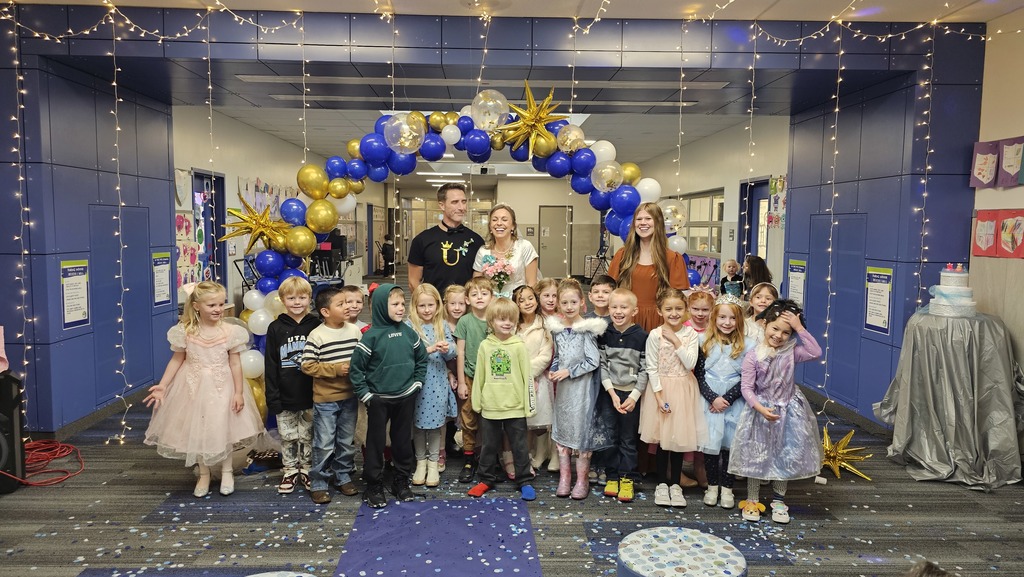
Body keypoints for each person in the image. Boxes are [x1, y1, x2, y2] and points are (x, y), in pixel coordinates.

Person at [144, 281, 264, 498]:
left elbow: (235, 363)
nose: (218, 309)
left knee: (224, 428)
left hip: (222, 385)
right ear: (197, 306)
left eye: (220, 304)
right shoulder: (185, 331)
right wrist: (163, 385)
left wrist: (238, 392)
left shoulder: (230, 331)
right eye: (212, 305)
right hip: (192, 386)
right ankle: (204, 473)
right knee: (197, 428)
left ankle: (227, 472)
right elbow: (176, 360)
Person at [729, 299, 822, 525]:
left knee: (785, 453)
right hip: (761, 411)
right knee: (756, 455)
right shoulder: (753, 355)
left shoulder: (793, 353)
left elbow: (816, 351)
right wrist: (760, 408)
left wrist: (800, 328)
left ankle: (779, 500)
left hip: (788, 412)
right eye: (775, 328)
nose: (779, 335)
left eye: (786, 332)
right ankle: (752, 499)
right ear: (765, 326)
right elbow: (747, 388)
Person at [349, 283, 428, 508]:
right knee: (375, 443)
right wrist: (366, 395)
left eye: (403, 304)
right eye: (395, 304)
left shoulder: (409, 332)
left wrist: (417, 383)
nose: (401, 308)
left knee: (403, 441)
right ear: (383, 306)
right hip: (378, 399)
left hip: (405, 397)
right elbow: (356, 370)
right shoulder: (371, 337)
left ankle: (401, 480)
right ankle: (373, 484)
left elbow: (421, 359)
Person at [639, 288, 707, 509]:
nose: (674, 313)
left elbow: (689, 364)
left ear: (685, 310)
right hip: (661, 391)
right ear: (660, 311)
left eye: (679, 308)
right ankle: (661, 483)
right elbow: (651, 367)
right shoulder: (654, 335)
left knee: (678, 439)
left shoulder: (690, 335)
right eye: (668, 309)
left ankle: (675, 484)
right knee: (661, 440)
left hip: (684, 389)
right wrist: (658, 397)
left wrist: (677, 342)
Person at [467, 297, 538, 501]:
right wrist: (477, 401)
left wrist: (529, 404)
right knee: (489, 445)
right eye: (501, 319)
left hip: (515, 406)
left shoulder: (519, 346)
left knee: (520, 446)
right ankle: (485, 479)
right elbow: (479, 375)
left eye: (511, 320)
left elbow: (527, 377)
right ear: (491, 322)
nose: (507, 323)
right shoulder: (485, 346)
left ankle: (524, 480)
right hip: (491, 405)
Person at [546, 278, 609, 500]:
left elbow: (593, 361)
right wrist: (554, 370)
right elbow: (557, 356)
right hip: (564, 390)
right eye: (565, 303)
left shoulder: (587, 330)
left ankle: (582, 480)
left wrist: (569, 372)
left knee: (581, 431)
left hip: (582, 389)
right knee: (563, 429)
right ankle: (565, 478)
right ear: (559, 305)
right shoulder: (557, 330)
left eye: (574, 302)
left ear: (583, 303)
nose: (569, 307)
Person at [300, 287, 363, 504]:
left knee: (346, 441)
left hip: (350, 396)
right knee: (324, 443)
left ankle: (342, 475)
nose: (348, 307)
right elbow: (307, 366)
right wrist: (335, 369)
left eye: (348, 302)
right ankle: (318, 482)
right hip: (326, 399)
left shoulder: (354, 331)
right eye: (341, 304)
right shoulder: (317, 335)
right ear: (326, 312)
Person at [264, 276, 319, 495]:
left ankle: (305, 469)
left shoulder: (316, 325)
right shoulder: (275, 327)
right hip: (284, 394)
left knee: (307, 434)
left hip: (310, 393)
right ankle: (289, 470)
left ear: (310, 299)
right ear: (282, 300)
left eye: (302, 297)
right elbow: (271, 364)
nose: (297, 302)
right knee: (287, 435)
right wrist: (272, 396)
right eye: (291, 298)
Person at [696, 294, 752, 510]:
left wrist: (726, 399)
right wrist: (713, 398)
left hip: (733, 401)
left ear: (739, 320)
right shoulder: (703, 342)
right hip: (709, 400)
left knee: (729, 446)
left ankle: (727, 487)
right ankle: (712, 486)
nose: (727, 323)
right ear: (714, 318)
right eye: (722, 318)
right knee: (711, 446)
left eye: (732, 318)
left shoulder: (748, 345)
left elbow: (747, 379)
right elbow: (699, 375)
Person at [596, 288, 648, 503]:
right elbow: (602, 364)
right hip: (609, 393)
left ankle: (627, 477)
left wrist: (634, 396)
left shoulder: (642, 336)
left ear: (634, 310)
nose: (618, 311)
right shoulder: (604, 333)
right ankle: (612, 475)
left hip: (630, 395)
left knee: (628, 438)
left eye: (623, 307)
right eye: (614, 307)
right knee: (609, 436)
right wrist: (611, 392)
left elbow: (646, 369)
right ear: (608, 309)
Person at [608, 202, 691, 332]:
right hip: (627, 321)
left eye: (648, 219)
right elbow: (610, 291)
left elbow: (678, 299)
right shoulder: (622, 255)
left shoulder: (672, 258)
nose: (643, 223)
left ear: (657, 222)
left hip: (659, 323)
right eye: (639, 219)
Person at [406, 283, 457, 488]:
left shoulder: (442, 325)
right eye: (422, 306)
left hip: (437, 381)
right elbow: (407, 354)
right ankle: (421, 462)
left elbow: (453, 351)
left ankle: (434, 462)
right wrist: (428, 350)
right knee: (418, 425)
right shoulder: (409, 327)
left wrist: (447, 349)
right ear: (415, 307)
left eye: (431, 305)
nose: (427, 310)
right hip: (418, 381)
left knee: (436, 424)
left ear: (437, 305)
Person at [407, 182, 483, 294]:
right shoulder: (422, 240)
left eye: (464, 202)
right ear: (442, 205)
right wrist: (428, 306)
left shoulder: (476, 240)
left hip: (465, 307)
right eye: (455, 202)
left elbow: (479, 281)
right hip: (434, 308)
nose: (461, 207)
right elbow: (413, 282)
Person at [455, 277, 494, 483]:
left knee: (490, 421)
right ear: (467, 300)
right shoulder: (465, 322)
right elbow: (460, 352)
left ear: (492, 297)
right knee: (468, 419)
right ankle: (469, 459)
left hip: (492, 379)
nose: (480, 297)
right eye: (475, 294)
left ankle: (489, 460)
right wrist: (461, 382)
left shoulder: (495, 319)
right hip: (470, 376)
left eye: (484, 293)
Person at [512, 285, 554, 470]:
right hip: (515, 378)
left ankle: (541, 452)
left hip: (538, 378)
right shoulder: (513, 325)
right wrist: (518, 375)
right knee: (521, 420)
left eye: (530, 298)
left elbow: (546, 355)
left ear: (536, 300)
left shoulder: (544, 325)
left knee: (538, 420)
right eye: (521, 300)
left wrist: (529, 374)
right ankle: (524, 452)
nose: (527, 303)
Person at [473, 204, 539, 298]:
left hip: (519, 302)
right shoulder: (483, 251)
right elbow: (477, 284)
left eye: (504, 219)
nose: (499, 223)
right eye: (494, 220)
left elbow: (532, 284)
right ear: (490, 226)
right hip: (491, 304)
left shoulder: (524, 247)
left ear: (513, 226)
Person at [533, 277, 561, 472]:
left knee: (557, 413)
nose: (551, 299)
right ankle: (540, 451)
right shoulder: (535, 319)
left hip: (558, 373)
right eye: (546, 295)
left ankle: (556, 453)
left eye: (554, 295)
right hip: (540, 372)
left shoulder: (562, 318)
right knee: (542, 413)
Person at [440, 284, 468, 471]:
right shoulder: (441, 325)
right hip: (445, 373)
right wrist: (449, 373)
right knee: (445, 414)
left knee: (464, 412)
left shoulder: (468, 323)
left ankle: (467, 446)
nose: (457, 307)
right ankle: (443, 448)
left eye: (461, 303)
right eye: (452, 303)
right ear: (445, 304)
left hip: (465, 374)